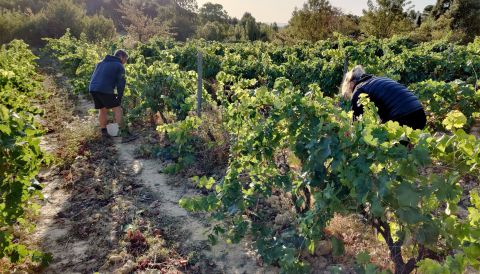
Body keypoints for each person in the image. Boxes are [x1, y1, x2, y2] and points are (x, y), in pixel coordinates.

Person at [341, 65, 426, 130]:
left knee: (391, 150)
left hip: (403, 116)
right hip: (419, 113)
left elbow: (356, 122)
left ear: (351, 83)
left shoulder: (359, 89)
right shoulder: (379, 80)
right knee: (407, 148)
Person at [89, 49, 136, 142]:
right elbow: (121, 84)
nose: (125, 62)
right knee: (117, 109)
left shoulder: (100, 63)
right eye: (125, 60)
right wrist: (119, 97)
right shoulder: (119, 65)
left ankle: (104, 133)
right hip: (104, 89)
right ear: (121, 57)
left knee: (102, 109)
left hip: (93, 89)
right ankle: (123, 134)